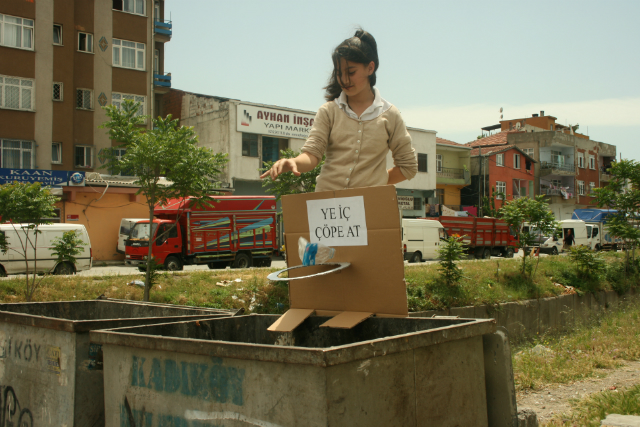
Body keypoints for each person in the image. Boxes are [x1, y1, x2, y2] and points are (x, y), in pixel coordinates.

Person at [260, 29, 418, 192]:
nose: (344, 79)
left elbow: (408, 167)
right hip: (327, 206)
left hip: (369, 207)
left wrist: (373, 183)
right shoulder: (329, 111)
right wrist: (294, 162)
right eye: (339, 73)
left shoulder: (390, 115)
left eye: (351, 72)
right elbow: (312, 155)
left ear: (370, 68)